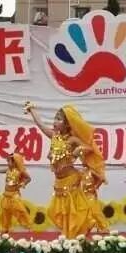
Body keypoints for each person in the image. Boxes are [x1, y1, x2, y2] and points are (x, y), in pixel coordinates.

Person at [23, 101, 105, 237]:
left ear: (67, 124)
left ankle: (73, 236)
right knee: (58, 211)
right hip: (59, 182)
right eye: (55, 118)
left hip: (72, 179)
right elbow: (41, 125)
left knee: (72, 211)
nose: (55, 122)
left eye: (59, 119)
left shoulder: (72, 140)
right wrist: (32, 110)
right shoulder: (54, 136)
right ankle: (71, 235)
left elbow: (90, 148)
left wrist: (79, 150)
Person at [0, 153, 32, 232]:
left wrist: (23, 183)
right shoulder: (8, 170)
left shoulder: (20, 171)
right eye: (7, 161)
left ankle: (28, 224)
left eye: (9, 162)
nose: (8, 163)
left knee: (20, 209)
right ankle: (5, 228)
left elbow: (28, 178)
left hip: (14, 195)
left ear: (15, 162)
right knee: (5, 212)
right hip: (6, 195)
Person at [81, 165, 109, 232]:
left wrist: (95, 187)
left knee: (95, 211)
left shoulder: (92, 171)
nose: (83, 163)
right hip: (83, 195)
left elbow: (101, 179)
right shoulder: (82, 171)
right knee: (84, 212)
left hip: (90, 195)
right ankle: (87, 227)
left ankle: (104, 227)